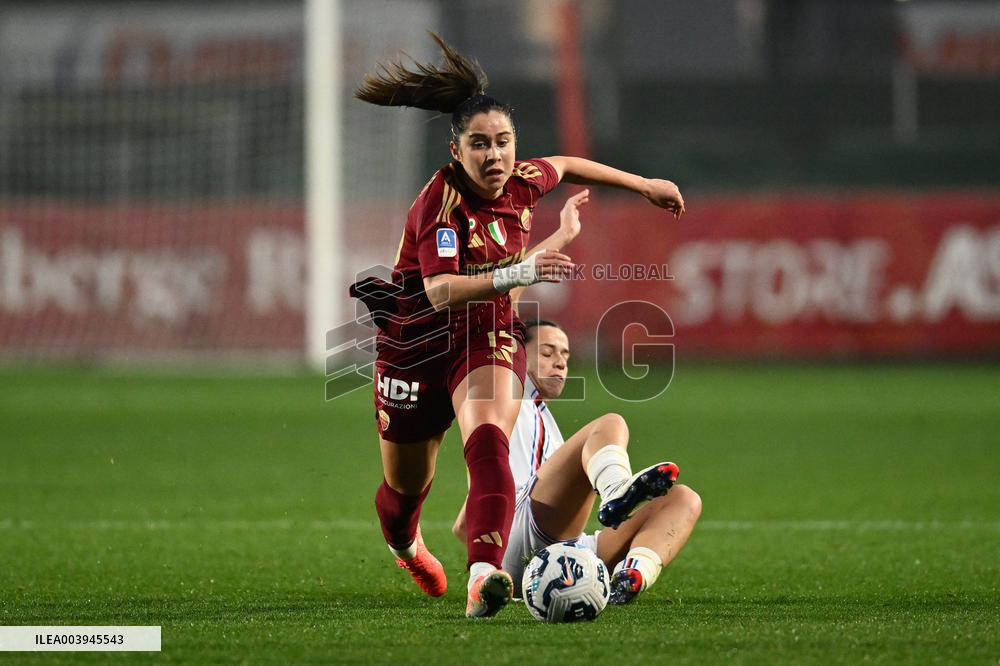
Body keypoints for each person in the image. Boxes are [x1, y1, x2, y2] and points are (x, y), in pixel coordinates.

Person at [349, 32, 686, 618]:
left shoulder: (525, 180)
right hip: (415, 345)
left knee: (488, 443)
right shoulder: (442, 204)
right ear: (457, 151)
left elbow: (571, 164)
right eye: (479, 145)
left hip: (485, 338)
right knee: (405, 491)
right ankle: (405, 546)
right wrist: (526, 267)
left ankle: (483, 580)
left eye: (503, 142)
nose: (495, 156)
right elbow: (441, 291)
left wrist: (645, 186)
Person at [453, 194, 702, 604]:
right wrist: (564, 235)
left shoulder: (542, 420)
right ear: (516, 349)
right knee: (610, 425)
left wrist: (482, 536)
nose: (559, 363)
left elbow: (463, 527)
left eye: (565, 355)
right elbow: (504, 298)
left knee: (683, 499)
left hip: (551, 543)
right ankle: (617, 489)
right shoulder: (504, 384)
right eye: (547, 352)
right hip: (525, 524)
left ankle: (631, 576)